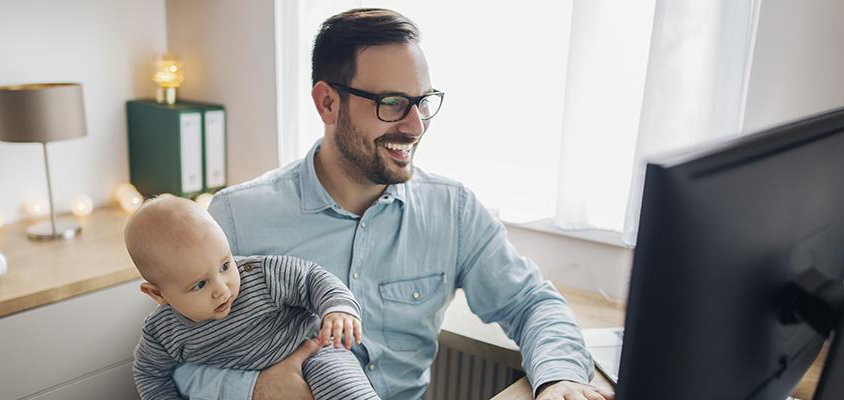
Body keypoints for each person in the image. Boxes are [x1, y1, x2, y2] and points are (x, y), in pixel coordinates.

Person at [172, 8, 613, 400]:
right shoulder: (237, 218)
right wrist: (254, 390)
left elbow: (531, 303)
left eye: (423, 102)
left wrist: (557, 378)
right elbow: (174, 359)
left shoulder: (452, 210)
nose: (415, 125)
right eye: (393, 104)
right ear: (328, 102)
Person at [126, 195, 379, 400]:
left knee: (340, 385)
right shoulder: (162, 333)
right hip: (255, 387)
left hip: (313, 351)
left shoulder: (261, 276)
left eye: (225, 265)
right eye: (200, 285)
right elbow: (150, 375)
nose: (222, 289)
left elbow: (311, 278)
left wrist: (338, 307)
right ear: (157, 294)